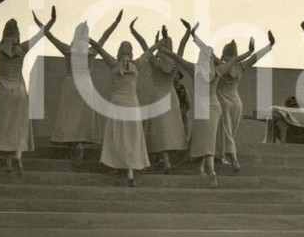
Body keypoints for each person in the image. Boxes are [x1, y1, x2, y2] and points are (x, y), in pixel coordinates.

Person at [0, 7, 56, 173]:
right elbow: (40, 35)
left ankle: (8, 165)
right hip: (20, 92)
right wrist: (51, 21)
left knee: (4, 127)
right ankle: (17, 157)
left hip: (3, 93)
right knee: (18, 127)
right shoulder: (22, 48)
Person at [33, 10, 122, 164]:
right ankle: (79, 144)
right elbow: (104, 36)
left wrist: (41, 23)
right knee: (82, 118)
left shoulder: (68, 50)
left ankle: (72, 143)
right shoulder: (91, 51)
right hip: (86, 84)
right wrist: (115, 22)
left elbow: (49, 36)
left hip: (71, 84)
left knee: (69, 115)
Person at [156, 22, 230, 188]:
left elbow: (177, 57)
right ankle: (203, 168)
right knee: (208, 139)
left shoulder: (194, 68)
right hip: (215, 107)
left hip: (202, 109)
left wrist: (163, 46)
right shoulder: (217, 70)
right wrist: (249, 52)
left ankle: (210, 170)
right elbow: (233, 61)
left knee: (204, 139)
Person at [86, 31, 156, 187]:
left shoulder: (113, 63)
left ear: (118, 51)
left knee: (117, 135)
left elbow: (99, 48)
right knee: (131, 137)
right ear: (131, 52)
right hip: (132, 104)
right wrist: (160, 42)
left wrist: (88, 38)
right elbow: (149, 51)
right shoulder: (137, 64)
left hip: (117, 103)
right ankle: (130, 171)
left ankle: (117, 165)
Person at [130, 23, 187, 174]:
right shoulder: (175, 63)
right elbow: (182, 45)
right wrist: (188, 31)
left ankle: (165, 160)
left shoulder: (154, 63)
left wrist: (133, 30)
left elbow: (144, 45)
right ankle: (165, 160)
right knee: (169, 130)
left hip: (157, 96)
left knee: (159, 130)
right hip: (171, 98)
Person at [215, 31, 276, 171]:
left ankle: (232, 160)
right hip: (236, 102)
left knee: (225, 130)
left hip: (222, 101)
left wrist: (193, 36)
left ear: (224, 54)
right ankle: (222, 155)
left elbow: (208, 53)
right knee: (230, 131)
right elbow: (256, 57)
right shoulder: (241, 66)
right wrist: (270, 45)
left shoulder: (220, 65)